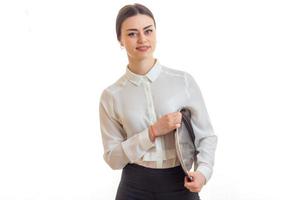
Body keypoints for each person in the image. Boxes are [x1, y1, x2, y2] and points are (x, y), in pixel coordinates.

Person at [99, 3, 217, 200]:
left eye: (148, 31)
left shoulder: (183, 82)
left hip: (181, 183)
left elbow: (206, 137)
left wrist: (203, 173)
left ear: (155, 33)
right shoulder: (111, 96)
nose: (142, 39)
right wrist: (152, 132)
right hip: (134, 186)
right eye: (132, 34)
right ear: (120, 40)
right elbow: (113, 159)